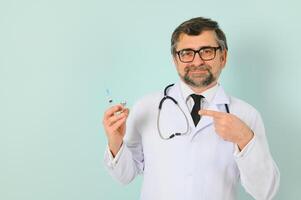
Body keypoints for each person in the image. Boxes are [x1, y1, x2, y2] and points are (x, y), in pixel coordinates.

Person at [102, 17, 280, 200]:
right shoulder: (146, 107)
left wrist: (244, 138)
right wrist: (115, 142)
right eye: (187, 53)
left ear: (223, 57)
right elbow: (124, 176)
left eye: (207, 51)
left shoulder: (245, 114)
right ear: (175, 59)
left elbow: (264, 191)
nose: (197, 61)